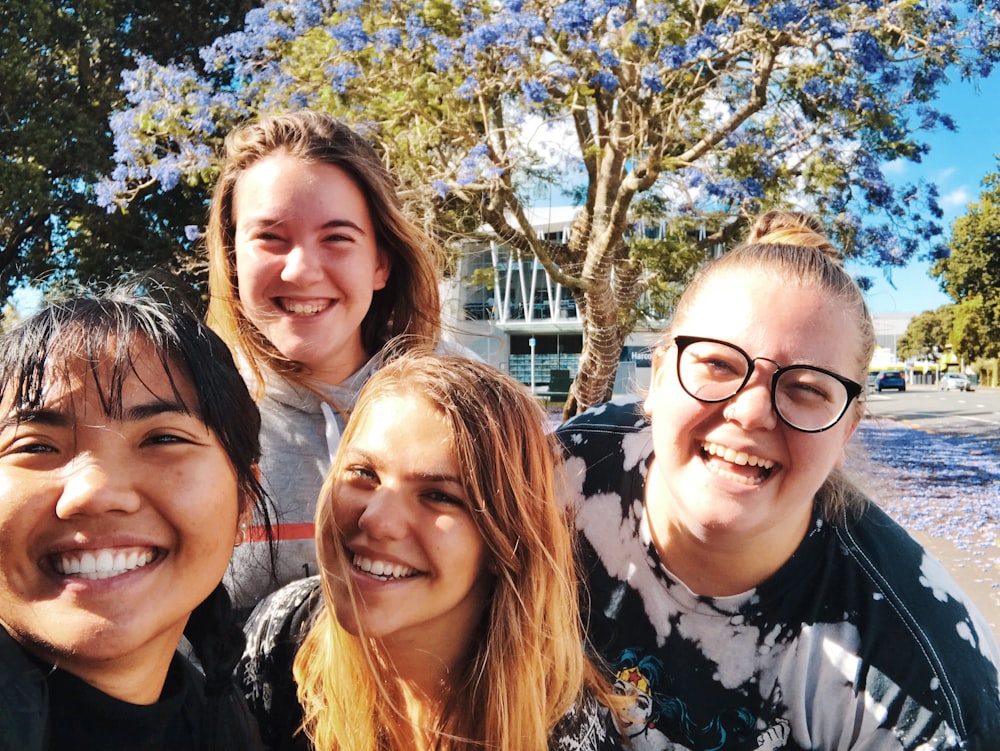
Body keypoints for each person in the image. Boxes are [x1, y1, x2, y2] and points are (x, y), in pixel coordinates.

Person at [556, 211, 1000, 750]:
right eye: (718, 364)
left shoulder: (922, 694)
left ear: (846, 432)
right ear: (657, 376)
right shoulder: (565, 472)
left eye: (808, 389)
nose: (751, 412)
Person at [238, 352, 623, 751]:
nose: (376, 519)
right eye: (363, 474)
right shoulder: (279, 637)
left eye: (439, 496)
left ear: (505, 540)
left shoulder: (565, 730)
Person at [0, 284, 267, 750]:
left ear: (244, 499)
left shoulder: (225, 720)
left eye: (163, 439)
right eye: (35, 446)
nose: (93, 493)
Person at [204, 110, 446, 609]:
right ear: (232, 258)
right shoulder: (189, 418)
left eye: (337, 238)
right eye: (270, 238)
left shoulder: (463, 409)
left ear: (380, 262)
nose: (302, 271)